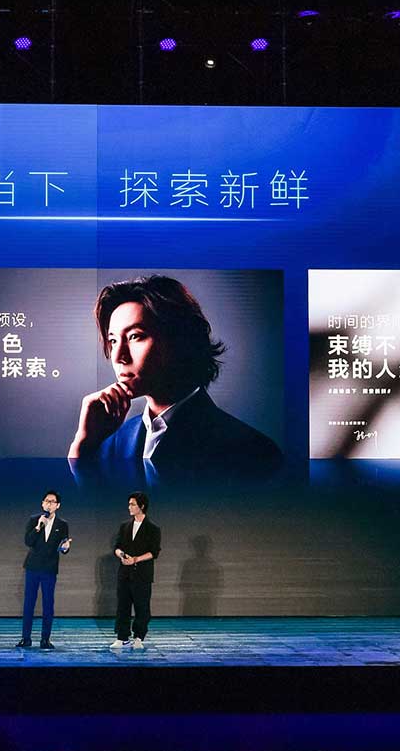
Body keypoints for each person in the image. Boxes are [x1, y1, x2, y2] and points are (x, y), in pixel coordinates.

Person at [68, 275, 282, 483]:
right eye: (113, 341)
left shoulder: (250, 451)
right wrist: (82, 447)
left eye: (135, 336)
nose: (118, 356)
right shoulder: (113, 441)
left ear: (180, 340)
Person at [17, 490, 72, 650]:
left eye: (52, 502)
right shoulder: (34, 520)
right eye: (46, 501)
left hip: (49, 568)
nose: (49, 504)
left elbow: (63, 546)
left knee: (48, 604)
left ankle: (45, 639)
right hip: (33, 567)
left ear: (58, 505)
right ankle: (26, 638)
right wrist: (38, 527)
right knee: (29, 603)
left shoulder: (62, 524)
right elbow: (28, 541)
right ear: (42, 504)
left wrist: (65, 548)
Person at [110, 492, 161, 649]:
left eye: (132, 504)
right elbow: (117, 547)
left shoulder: (153, 528)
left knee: (142, 607)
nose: (129, 507)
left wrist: (136, 559)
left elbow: (154, 552)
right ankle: (122, 637)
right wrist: (121, 555)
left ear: (142, 506)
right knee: (122, 606)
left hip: (142, 574)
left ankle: (139, 637)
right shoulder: (125, 526)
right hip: (125, 573)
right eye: (129, 504)